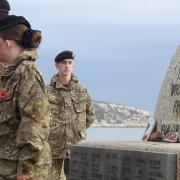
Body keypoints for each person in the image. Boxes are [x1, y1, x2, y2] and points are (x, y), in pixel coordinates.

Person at [0, 15, 51, 180]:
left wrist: (26, 169)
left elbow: (34, 123)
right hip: (8, 166)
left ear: (7, 42)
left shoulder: (27, 72)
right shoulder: (11, 74)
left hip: (23, 172)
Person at [47, 50, 96, 180]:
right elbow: (40, 117)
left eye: (70, 63)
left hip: (76, 144)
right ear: (57, 65)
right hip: (53, 145)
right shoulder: (47, 91)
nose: (67, 66)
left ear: (73, 65)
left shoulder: (81, 90)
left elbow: (90, 115)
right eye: (64, 63)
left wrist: (78, 129)